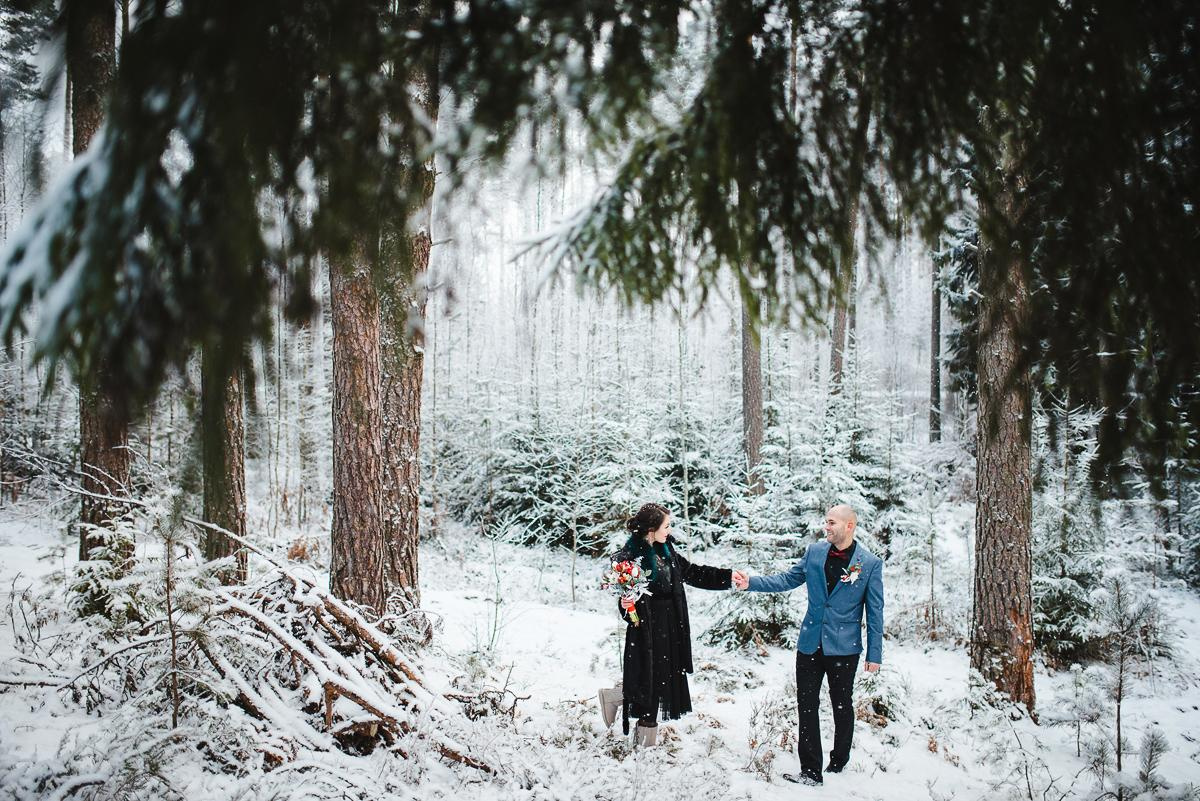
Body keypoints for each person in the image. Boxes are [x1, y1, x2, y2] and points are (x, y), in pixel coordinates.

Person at [733, 504, 884, 785]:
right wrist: (751, 583)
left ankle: (839, 760)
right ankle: (811, 770)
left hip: (845, 648)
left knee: (842, 705)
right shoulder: (814, 552)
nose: (826, 527)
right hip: (810, 643)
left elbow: (875, 612)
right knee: (806, 705)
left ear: (849, 525)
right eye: (826, 521)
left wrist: (874, 653)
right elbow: (787, 579)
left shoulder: (870, 563)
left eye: (832, 522)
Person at [609, 502, 744, 746]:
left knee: (660, 682)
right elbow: (626, 603)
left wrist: (727, 577)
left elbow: (692, 572)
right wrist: (627, 607)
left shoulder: (666, 550)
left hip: (671, 627)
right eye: (666, 526)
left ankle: (620, 704)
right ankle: (644, 747)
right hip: (646, 631)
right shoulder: (630, 557)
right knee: (649, 683)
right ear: (651, 529)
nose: (669, 531)